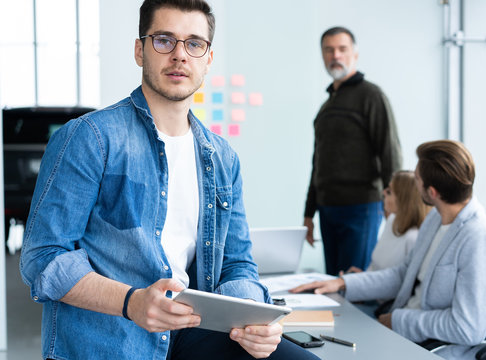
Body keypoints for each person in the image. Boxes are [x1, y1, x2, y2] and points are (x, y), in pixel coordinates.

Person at [19, 1, 319, 360]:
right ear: (139, 50)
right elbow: (43, 257)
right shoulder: (89, 138)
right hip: (110, 339)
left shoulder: (223, 158)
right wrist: (131, 302)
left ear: (207, 58)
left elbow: (237, 263)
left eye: (194, 43)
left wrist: (256, 319)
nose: (180, 55)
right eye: (164, 40)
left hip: (190, 333)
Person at [293, 140, 486, 360]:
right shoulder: (436, 219)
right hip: (407, 337)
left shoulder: (482, 239)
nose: (414, 183)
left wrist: (399, 320)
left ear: (432, 192)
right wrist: (343, 283)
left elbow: (467, 328)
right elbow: (403, 275)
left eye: (417, 179)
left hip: (442, 351)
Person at [304, 26, 402, 275]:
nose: (335, 55)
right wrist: (309, 213)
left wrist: (398, 206)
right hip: (328, 209)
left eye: (342, 49)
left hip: (362, 208)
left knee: (354, 285)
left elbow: (390, 152)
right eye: (329, 50)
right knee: (332, 286)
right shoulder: (328, 105)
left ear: (354, 54)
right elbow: (318, 163)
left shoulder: (371, 95)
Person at [343, 170, 431, 275]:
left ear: (404, 199)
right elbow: (376, 269)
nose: (383, 192)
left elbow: (399, 284)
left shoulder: (413, 239)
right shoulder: (392, 221)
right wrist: (359, 277)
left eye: (389, 191)